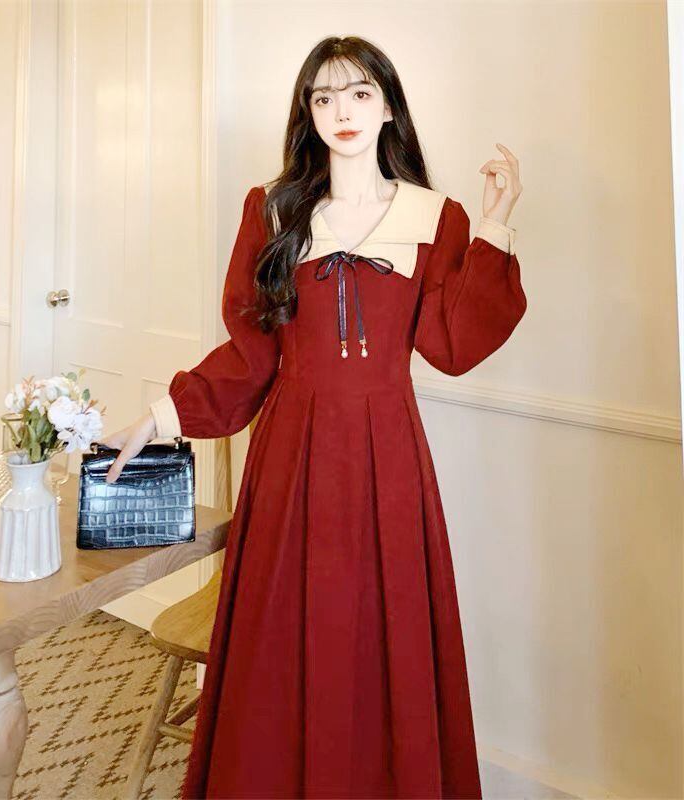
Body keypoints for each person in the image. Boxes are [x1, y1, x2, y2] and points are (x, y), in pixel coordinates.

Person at [98, 35, 526, 800]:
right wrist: (160, 417)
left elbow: (452, 345)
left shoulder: (438, 216)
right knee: (283, 640)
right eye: (324, 97)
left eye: (360, 93)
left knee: (382, 638)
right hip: (291, 458)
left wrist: (494, 225)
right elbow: (251, 354)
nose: (342, 111)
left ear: (388, 107)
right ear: (308, 112)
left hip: (390, 459)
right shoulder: (272, 211)